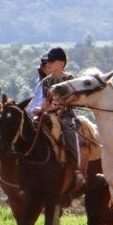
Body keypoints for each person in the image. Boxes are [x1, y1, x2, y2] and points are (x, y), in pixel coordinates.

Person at [30, 46, 86, 193]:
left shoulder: (70, 79)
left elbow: (75, 98)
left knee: (70, 133)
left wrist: (60, 106)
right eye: (48, 61)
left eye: (52, 61)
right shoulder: (46, 82)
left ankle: (77, 170)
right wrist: (41, 109)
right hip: (49, 114)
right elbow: (45, 101)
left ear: (61, 63)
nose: (48, 64)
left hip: (66, 115)